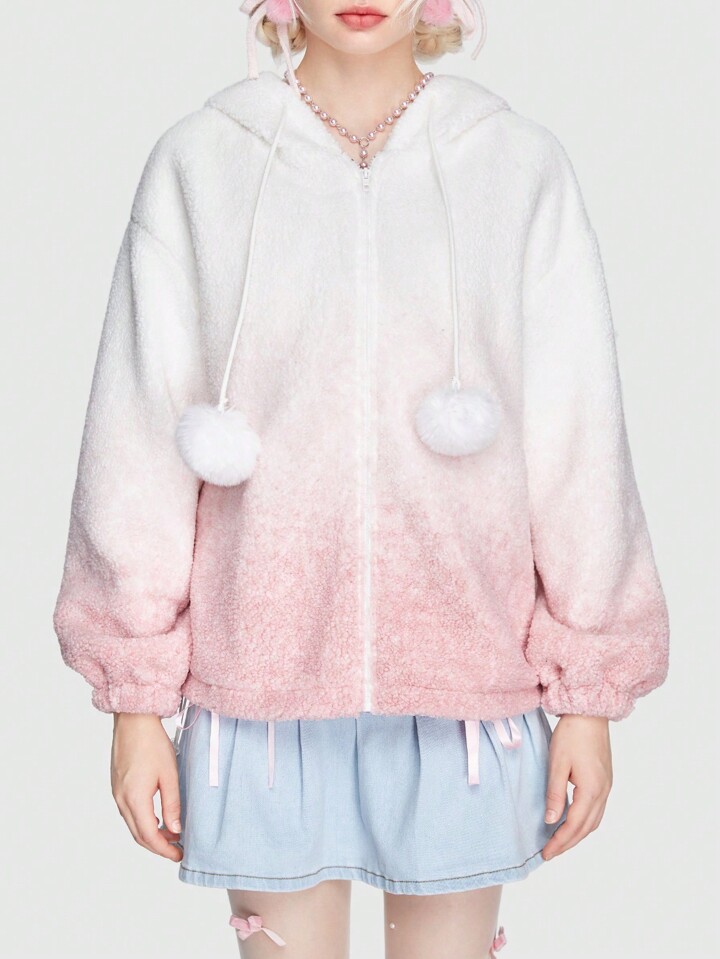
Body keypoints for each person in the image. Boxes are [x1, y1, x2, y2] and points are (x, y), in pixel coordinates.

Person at [52, 1, 670, 956]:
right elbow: (135, 435)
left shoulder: (515, 165)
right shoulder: (202, 163)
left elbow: (577, 436)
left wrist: (590, 691)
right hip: (260, 697)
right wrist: (136, 702)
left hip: (464, 697)